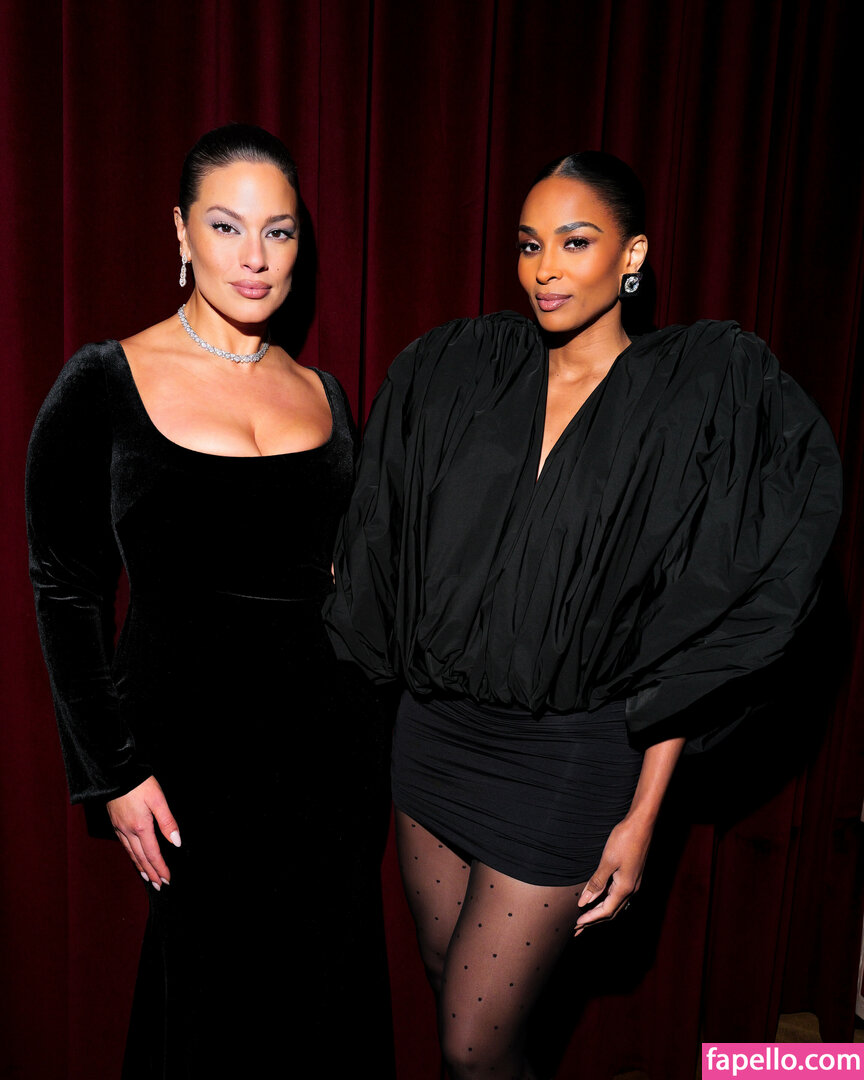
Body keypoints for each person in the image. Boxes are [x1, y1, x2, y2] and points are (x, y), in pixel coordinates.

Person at [324, 151, 842, 1078]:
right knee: (455, 997)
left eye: (575, 242)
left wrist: (643, 817)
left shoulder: (693, 397)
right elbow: (383, 536)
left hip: (567, 758)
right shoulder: (461, 373)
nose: (546, 269)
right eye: (530, 245)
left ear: (632, 254)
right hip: (434, 738)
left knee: (473, 1044)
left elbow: (694, 630)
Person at [27, 124, 392, 1077]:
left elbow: (352, 583)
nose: (255, 257)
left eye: (279, 231)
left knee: (323, 1006)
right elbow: (65, 589)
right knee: (208, 1013)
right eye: (227, 227)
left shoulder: (325, 394)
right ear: (182, 232)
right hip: (189, 757)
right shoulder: (103, 381)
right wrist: (113, 773)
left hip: (330, 755)